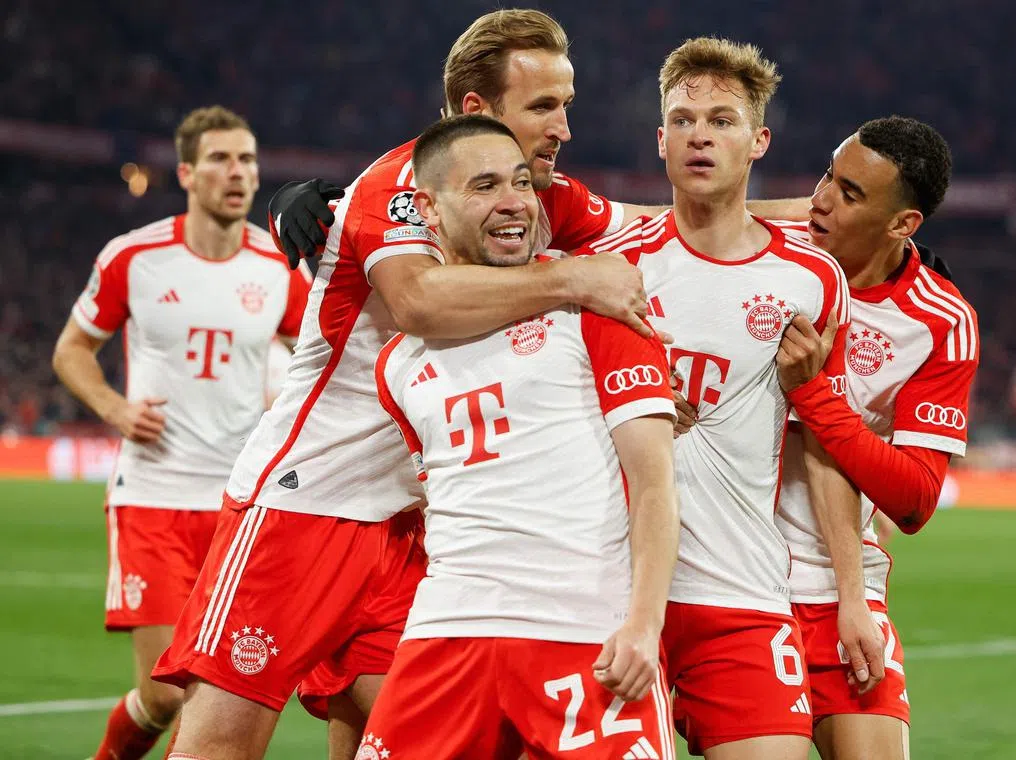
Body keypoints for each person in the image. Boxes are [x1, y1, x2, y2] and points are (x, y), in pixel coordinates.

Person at [151, 11, 667, 760]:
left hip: (415, 525)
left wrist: (808, 222)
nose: (563, 127)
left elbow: (666, 226)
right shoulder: (397, 186)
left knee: (387, 729)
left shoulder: (544, 201)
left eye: (567, 104)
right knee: (221, 741)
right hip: (308, 503)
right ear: (475, 111)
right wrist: (575, 280)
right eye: (543, 107)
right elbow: (419, 304)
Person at [582, 38, 882, 760]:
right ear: (660, 139)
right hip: (607, 593)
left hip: (739, 596)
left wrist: (852, 596)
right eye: (683, 120)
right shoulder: (614, 268)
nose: (700, 135)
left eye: (721, 119)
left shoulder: (813, 281)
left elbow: (824, 440)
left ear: (758, 140)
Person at [361, 112, 679, 760]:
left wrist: (644, 626)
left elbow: (654, 486)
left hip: (582, 630)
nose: (513, 204)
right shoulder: (396, 365)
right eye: (484, 187)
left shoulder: (598, 306)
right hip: (446, 633)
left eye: (521, 184)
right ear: (428, 207)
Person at [51, 105, 311, 760]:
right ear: (188, 173)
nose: (238, 173)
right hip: (154, 497)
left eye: (248, 159)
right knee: (166, 694)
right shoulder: (135, 257)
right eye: (222, 159)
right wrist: (113, 407)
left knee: (215, 695)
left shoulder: (278, 266)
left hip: (239, 507)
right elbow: (71, 350)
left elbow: (321, 355)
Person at [772, 115, 979, 759]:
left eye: (852, 194)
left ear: (903, 224)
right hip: (726, 572)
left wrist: (815, 396)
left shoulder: (941, 322)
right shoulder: (769, 253)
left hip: (836, 583)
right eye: (828, 176)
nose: (822, 200)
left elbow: (914, 500)